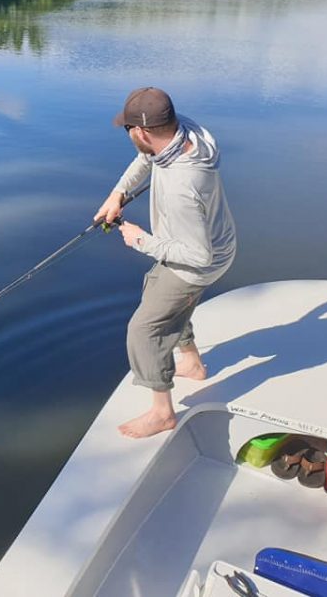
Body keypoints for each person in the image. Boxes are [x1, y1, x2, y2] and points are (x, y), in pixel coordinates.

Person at [93, 87, 236, 438]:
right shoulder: (183, 132)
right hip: (220, 244)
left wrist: (140, 240)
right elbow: (148, 157)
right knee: (158, 291)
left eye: (129, 130)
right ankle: (193, 363)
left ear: (141, 132)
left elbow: (197, 255)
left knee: (143, 329)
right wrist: (118, 194)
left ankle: (162, 413)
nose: (128, 135)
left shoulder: (181, 186)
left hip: (200, 260)